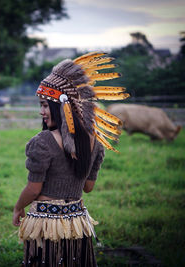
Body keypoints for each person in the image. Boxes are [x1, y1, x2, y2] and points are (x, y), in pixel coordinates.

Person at [12, 52, 129, 267]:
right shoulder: (95, 141)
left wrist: (18, 207)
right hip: (77, 223)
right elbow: (88, 187)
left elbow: (33, 188)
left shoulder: (43, 141)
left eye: (45, 105)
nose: (41, 112)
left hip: (47, 225)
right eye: (41, 105)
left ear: (61, 107)